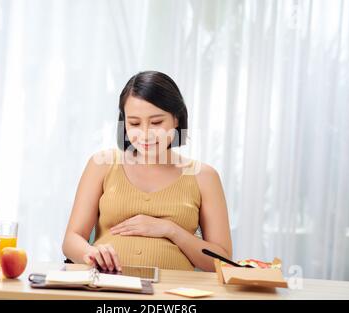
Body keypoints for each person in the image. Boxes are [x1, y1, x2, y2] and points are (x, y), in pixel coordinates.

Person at [62, 71, 232, 272]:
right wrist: (91, 254)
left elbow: (222, 261)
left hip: (172, 296)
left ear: (176, 119)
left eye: (157, 122)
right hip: (108, 288)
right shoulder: (102, 164)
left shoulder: (204, 176)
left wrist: (170, 230)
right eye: (134, 123)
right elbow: (71, 240)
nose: (145, 134)